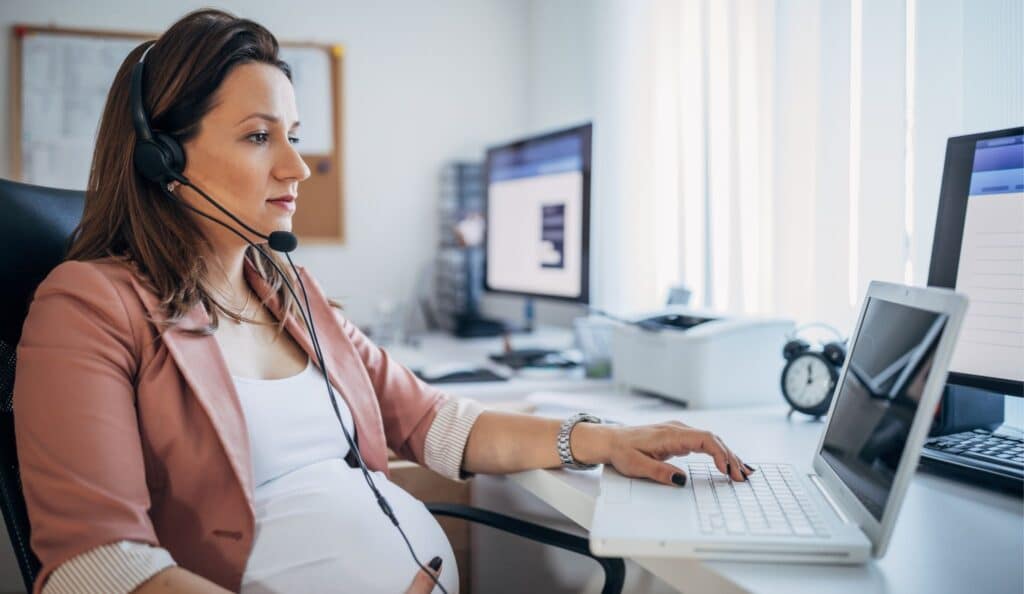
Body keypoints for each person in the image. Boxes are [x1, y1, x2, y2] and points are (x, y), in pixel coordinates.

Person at [13, 9, 753, 594]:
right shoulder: (89, 306)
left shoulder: (285, 289)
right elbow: (96, 565)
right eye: (258, 136)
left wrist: (598, 437)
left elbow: (429, 420)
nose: (298, 166)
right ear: (162, 157)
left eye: (294, 135)